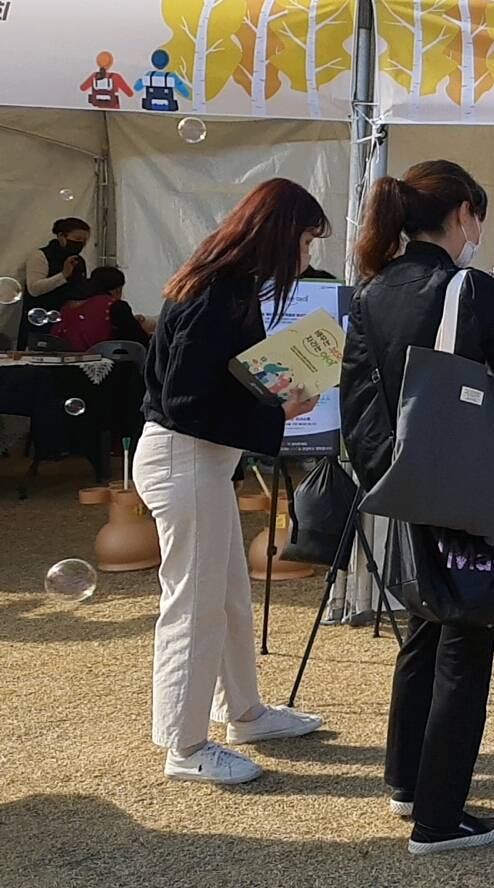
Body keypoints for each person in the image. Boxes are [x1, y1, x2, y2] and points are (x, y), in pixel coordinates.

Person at [340, 159, 494, 856]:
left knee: (426, 627)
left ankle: (407, 782)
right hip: (476, 487)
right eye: (478, 215)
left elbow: (359, 397)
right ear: (463, 215)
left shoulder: (374, 289)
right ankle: (439, 819)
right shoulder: (471, 289)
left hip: (410, 482)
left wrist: (390, 475)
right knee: (467, 640)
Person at [133, 179, 328, 787]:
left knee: (226, 598)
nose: (308, 255)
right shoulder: (216, 293)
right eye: (306, 241)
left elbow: (213, 385)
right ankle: (185, 744)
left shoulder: (226, 286)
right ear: (279, 234)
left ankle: (244, 712)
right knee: (195, 605)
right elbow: (185, 403)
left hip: (201, 460)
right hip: (184, 458)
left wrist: (272, 397)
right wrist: (278, 411)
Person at [14, 216, 91, 345]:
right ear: (61, 236)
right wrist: (63, 275)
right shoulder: (40, 256)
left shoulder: (78, 260)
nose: (81, 244)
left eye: (84, 241)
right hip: (40, 321)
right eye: (77, 239)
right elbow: (34, 289)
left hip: (67, 322)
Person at [53, 267, 151, 351]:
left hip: (61, 359)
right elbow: (138, 339)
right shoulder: (115, 306)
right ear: (118, 290)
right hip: (102, 362)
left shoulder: (67, 306)